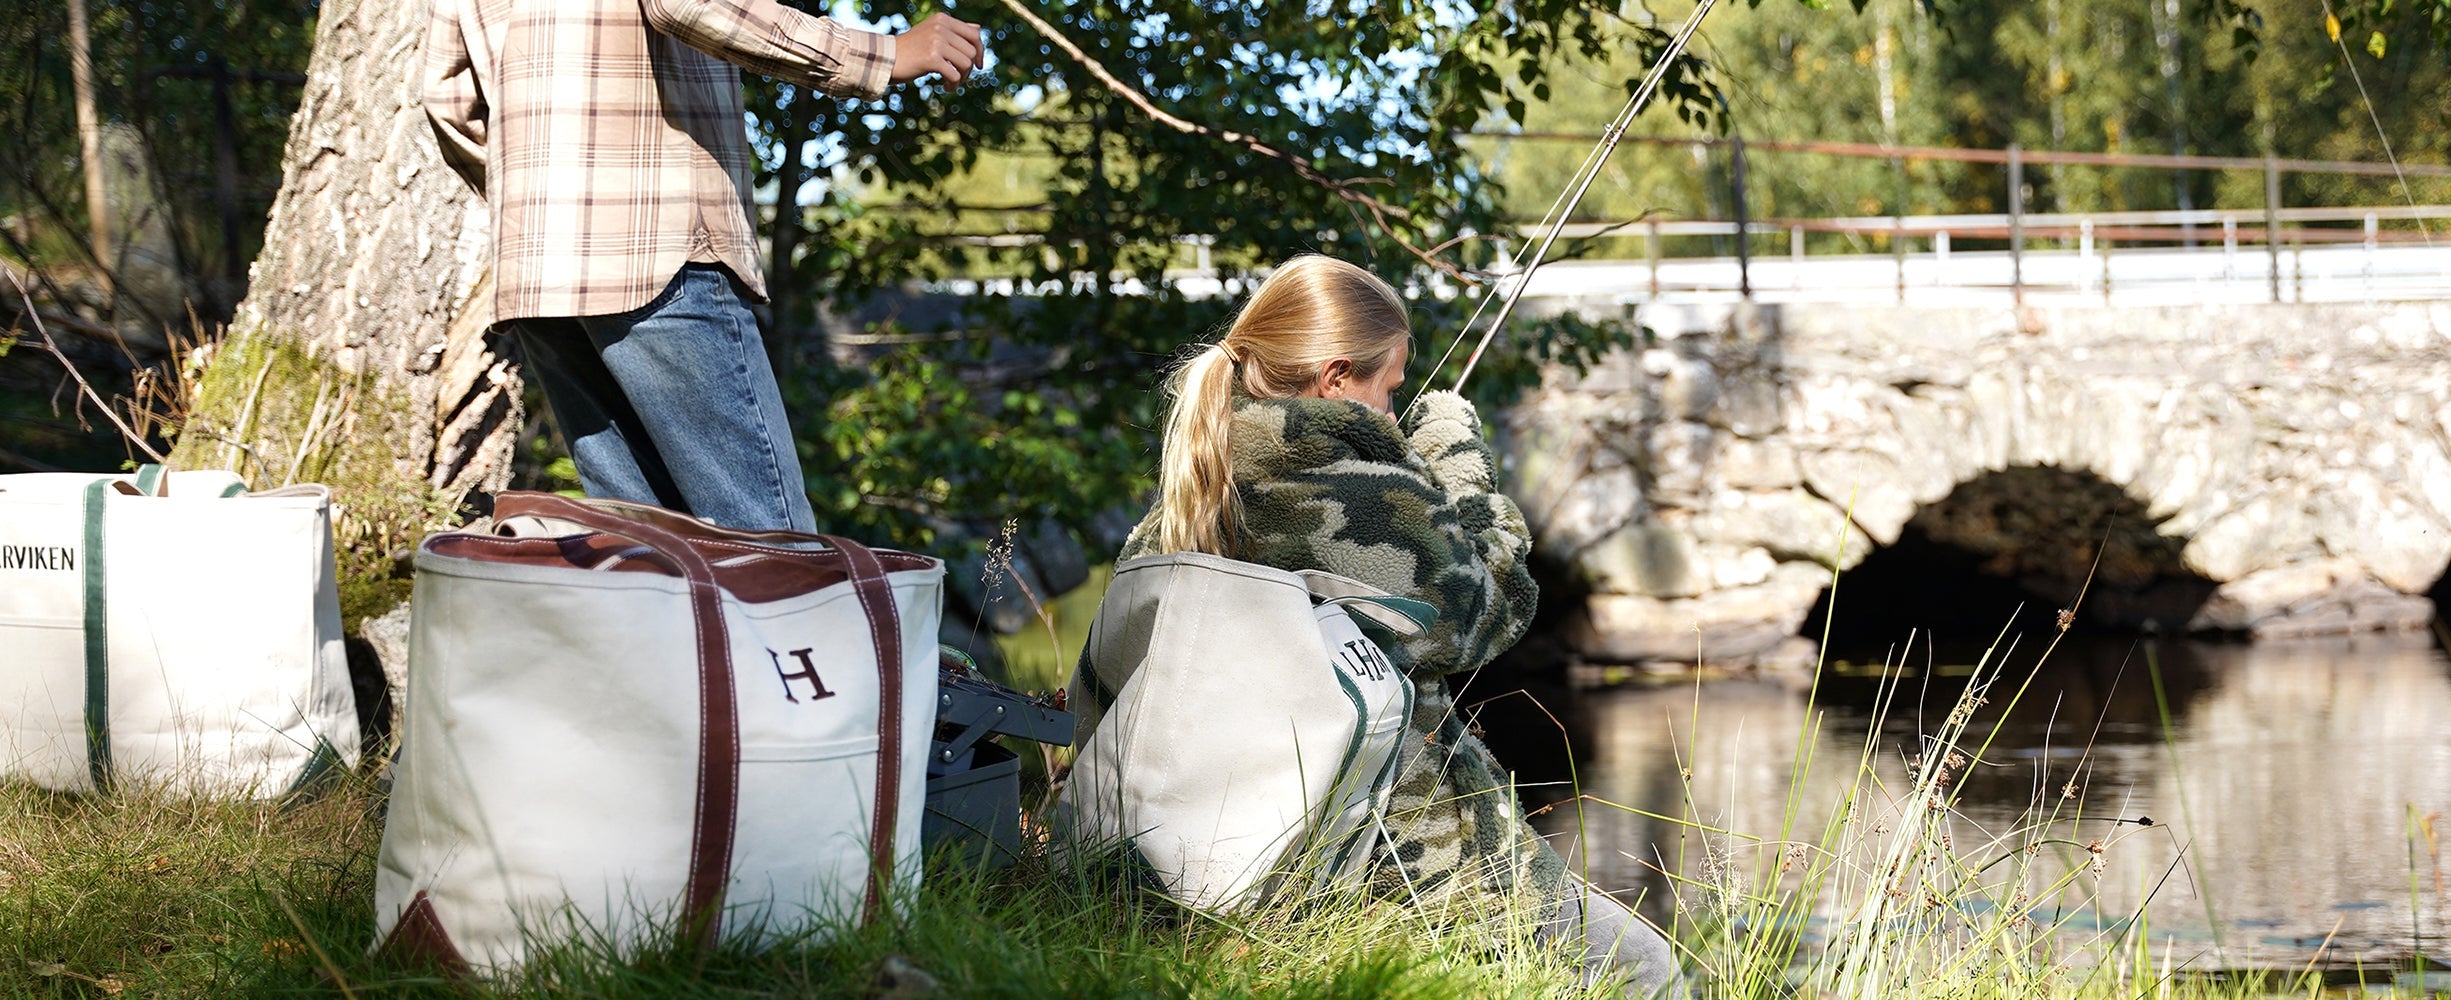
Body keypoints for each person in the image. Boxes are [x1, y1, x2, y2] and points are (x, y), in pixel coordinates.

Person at [1092, 254, 1682, 996]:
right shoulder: (1357, 497)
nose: (1393, 410)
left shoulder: (1186, 495)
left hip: (1224, 852)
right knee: (1641, 962)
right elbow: (1482, 618)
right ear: (1336, 379)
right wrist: (1458, 464)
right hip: (1404, 865)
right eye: (1391, 388)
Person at [419, 0, 985, 530]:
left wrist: (546, 206)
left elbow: (447, 96)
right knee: (774, 556)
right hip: (658, 249)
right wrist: (881, 54)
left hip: (543, 267)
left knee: (652, 561)